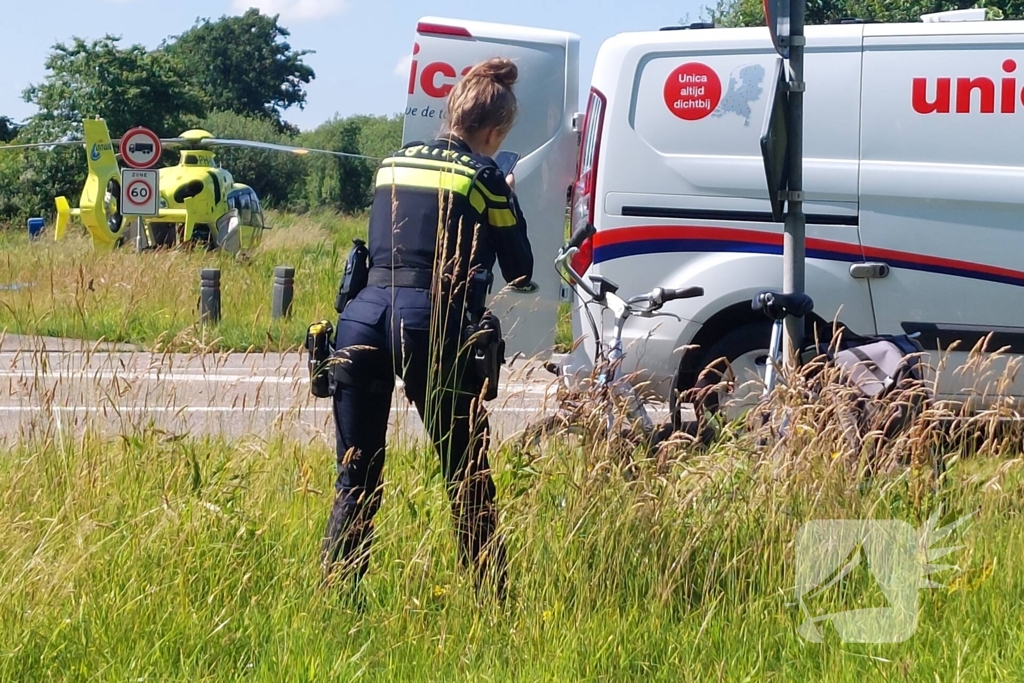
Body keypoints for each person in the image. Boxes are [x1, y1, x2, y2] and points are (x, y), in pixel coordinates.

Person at [320, 57, 533, 602]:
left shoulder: (391, 163)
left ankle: (337, 598)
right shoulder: (482, 175)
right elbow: (522, 268)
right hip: (430, 325)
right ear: (492, 132)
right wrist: (506, 193)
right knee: (466, 474)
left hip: (362, 318)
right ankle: (492, 602)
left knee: (356, 474)